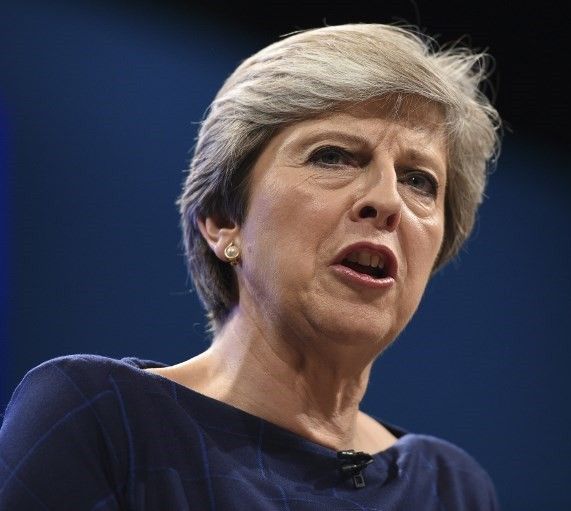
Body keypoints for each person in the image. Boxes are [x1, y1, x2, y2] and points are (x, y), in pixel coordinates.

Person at [0, 23, 500, 509]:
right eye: (333, 156)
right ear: (223, 221)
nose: (388, 200)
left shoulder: (451, 489)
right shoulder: (106, 421)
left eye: (419, 180)